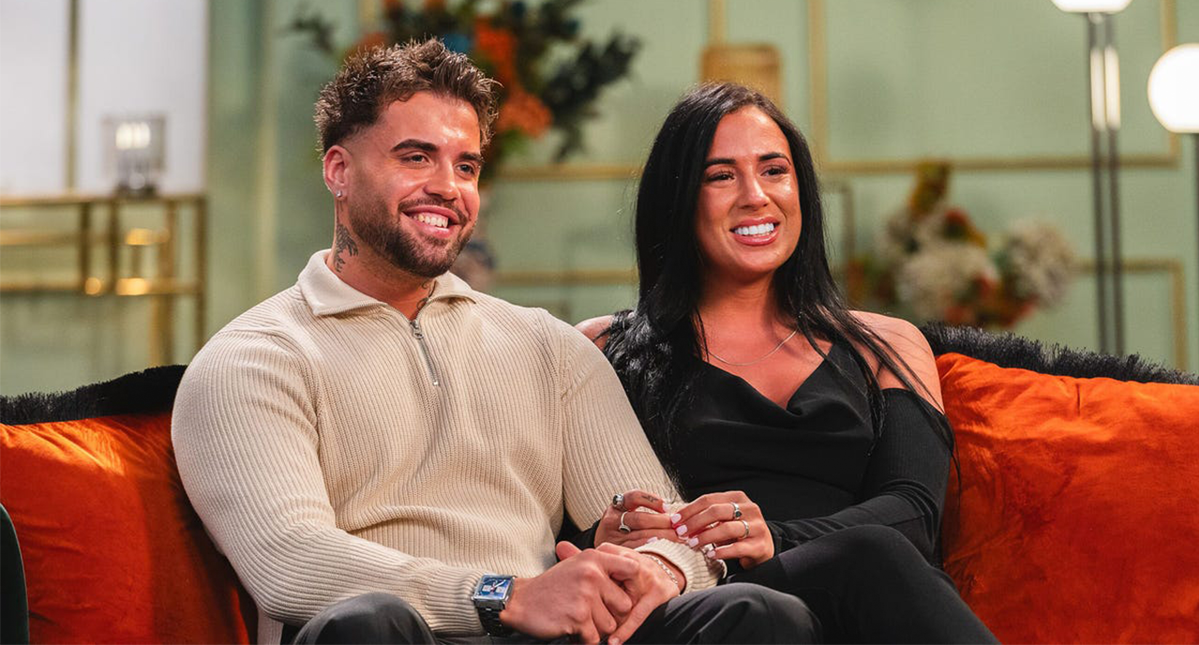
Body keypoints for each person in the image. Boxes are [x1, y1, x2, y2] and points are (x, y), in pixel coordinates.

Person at [171, 41, 818, 645]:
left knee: (760, 613)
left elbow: (665, 525)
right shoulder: (252, 358)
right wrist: (502, 593)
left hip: (547, 631)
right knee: (368, 623)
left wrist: (660, 568)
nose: (448, 188)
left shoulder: (546, 344)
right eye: (416, 156)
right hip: (408, 630)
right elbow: (290, 561)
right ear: (338, 170)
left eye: (467, 165)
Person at [576, 82, 998, 644]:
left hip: (861, 604)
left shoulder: (884, 345)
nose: (756, 195)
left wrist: (777, 535)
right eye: (720, 175)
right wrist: (596, 534)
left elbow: (914, 514)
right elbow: (543, 527)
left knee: (872, 553)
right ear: (676, 200)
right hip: (706, 608)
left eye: (774, 170)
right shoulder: (604, 349)